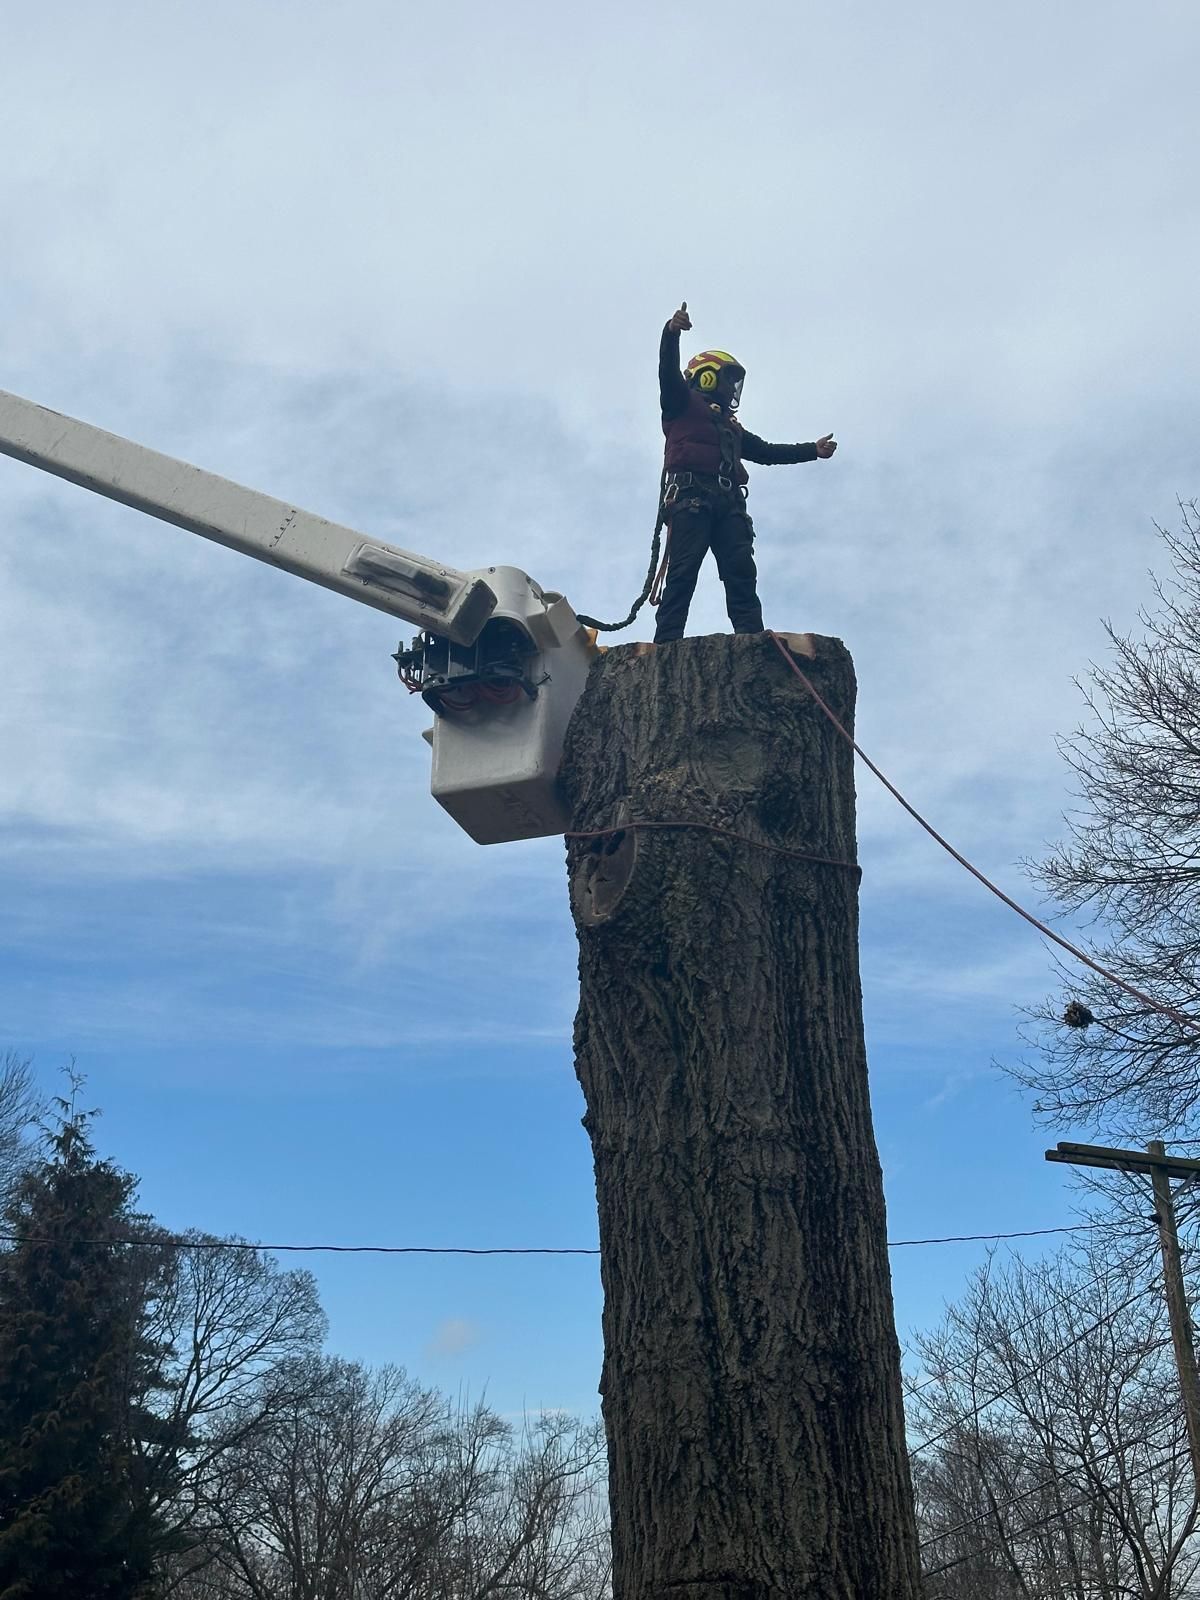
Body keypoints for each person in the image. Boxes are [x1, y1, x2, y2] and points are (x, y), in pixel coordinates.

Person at [653, 301, 836, 644]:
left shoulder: (730, 428)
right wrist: (671, 333)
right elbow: (667, 370)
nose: (730, 388)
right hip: (691, 498)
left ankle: (751, 638)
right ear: (707, 376)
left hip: (729, 504)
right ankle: (666, 644)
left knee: (741, 572)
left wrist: (812, 450)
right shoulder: (680, 404)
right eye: (727, 379)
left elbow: (767, 452)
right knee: (683, 572)